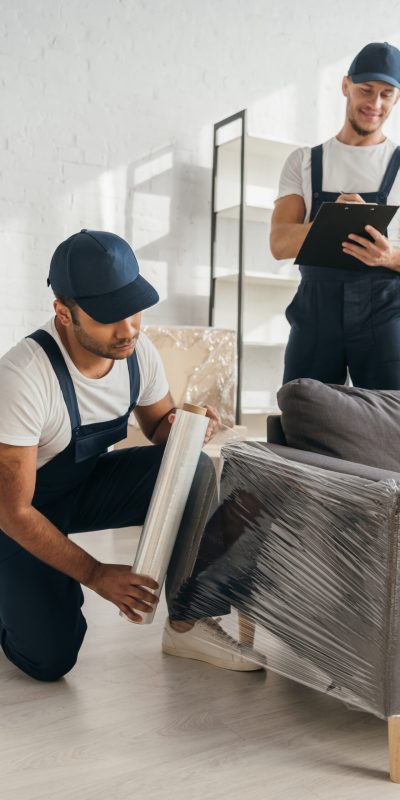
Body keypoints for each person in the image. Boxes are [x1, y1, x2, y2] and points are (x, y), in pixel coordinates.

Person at [0, 228, 263, 681]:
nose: (129, 329)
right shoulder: (23, 377)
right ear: (63, 312)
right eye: (108, 316)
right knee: (50, 659)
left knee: (191, 469)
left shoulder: (138, 354)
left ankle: (188, 621)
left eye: (133, 309)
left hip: (79, 487)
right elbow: (14, 511)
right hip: (19, 511)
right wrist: (97, 573)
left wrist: (184, 428)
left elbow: (159, 427)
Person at [270, 41, 400, 389]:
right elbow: (280, 243)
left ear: (397, 98)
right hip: (316, 310)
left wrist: (389, 255)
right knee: (302, 414)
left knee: (390, 421)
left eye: (387, 94)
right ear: (346, 86)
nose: (375, 104)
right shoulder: (304, 161)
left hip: (384, 312)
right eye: (366, 90)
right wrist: (333, 218)